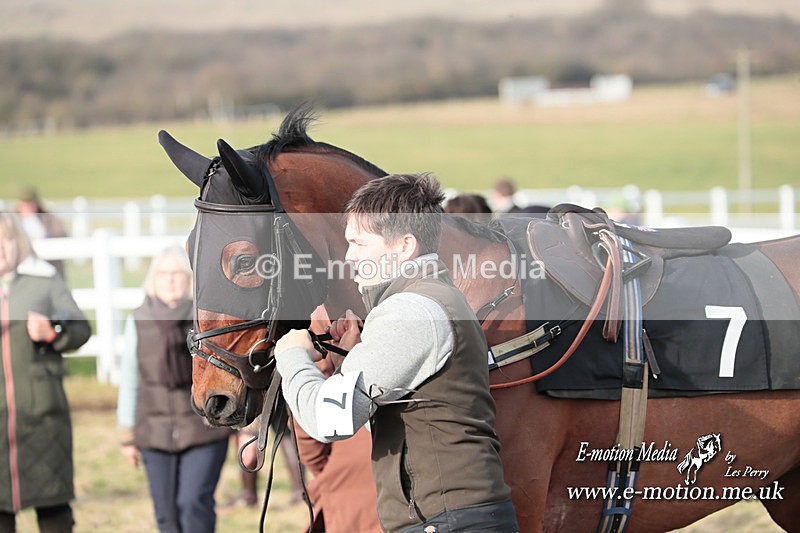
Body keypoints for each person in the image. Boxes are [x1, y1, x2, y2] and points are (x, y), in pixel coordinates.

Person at [275, 173, 518, 532]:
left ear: (405, 246)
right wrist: (352, 360)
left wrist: (292, 355)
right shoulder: (432, 297)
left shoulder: (411, 309)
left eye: (359, 243)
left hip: (445, 521)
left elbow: (330, 420)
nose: (350, 256)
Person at [117, 246, 232, 533]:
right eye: (164, 274)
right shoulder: (138, 320)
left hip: (203, 429)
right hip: (154, 431)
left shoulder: (205, 321)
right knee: (166, 514)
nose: (170, 280)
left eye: (178, 274)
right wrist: (127, 432)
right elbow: (131, 378)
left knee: (193, 503)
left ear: (190, 279)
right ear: (153, 279)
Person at [0, 212, 91, 532]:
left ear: (19, 243)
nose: (1, 247)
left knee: (53, 506)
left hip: (43, 414)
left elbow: (81, 329)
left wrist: (52, 331)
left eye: (6, 239)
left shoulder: (44, 280)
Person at [14, 187, 68, 279]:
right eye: (25, 204)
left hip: (49, 265)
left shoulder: (48, 218)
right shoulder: (13, 220)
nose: (28, 208)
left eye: (31, 204)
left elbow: (61, 236)